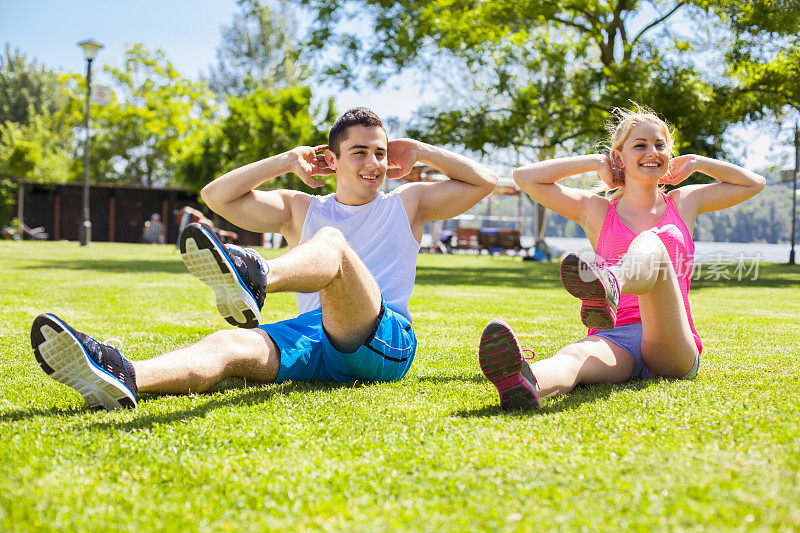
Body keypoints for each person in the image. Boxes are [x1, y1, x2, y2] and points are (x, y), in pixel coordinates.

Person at [30, 107, 498, 410]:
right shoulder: (302, 208)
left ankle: (256, 276)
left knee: (333, 245)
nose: (373, 162)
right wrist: (285, 161)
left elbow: (485, 182)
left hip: (384, 340)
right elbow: (217, 196)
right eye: (359, 152)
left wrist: (422, 152)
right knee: (227, 345)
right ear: (332, 161)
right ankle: (123, 375)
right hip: (314, 342)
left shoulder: (409, 203)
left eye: (380, 152)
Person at [479, 106, 765, 411]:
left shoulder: (684, 202)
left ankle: (611, 281)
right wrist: (595, 163)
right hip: (614, 338)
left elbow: (754, 183)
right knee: (574, 358)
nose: (652, 152)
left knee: (651, 244)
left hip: (671, 341)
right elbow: (525, 177)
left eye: (659, 145)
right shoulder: (598, 211)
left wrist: (696, 162)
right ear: (620, 157)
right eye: (640, 145)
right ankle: (524, 381)